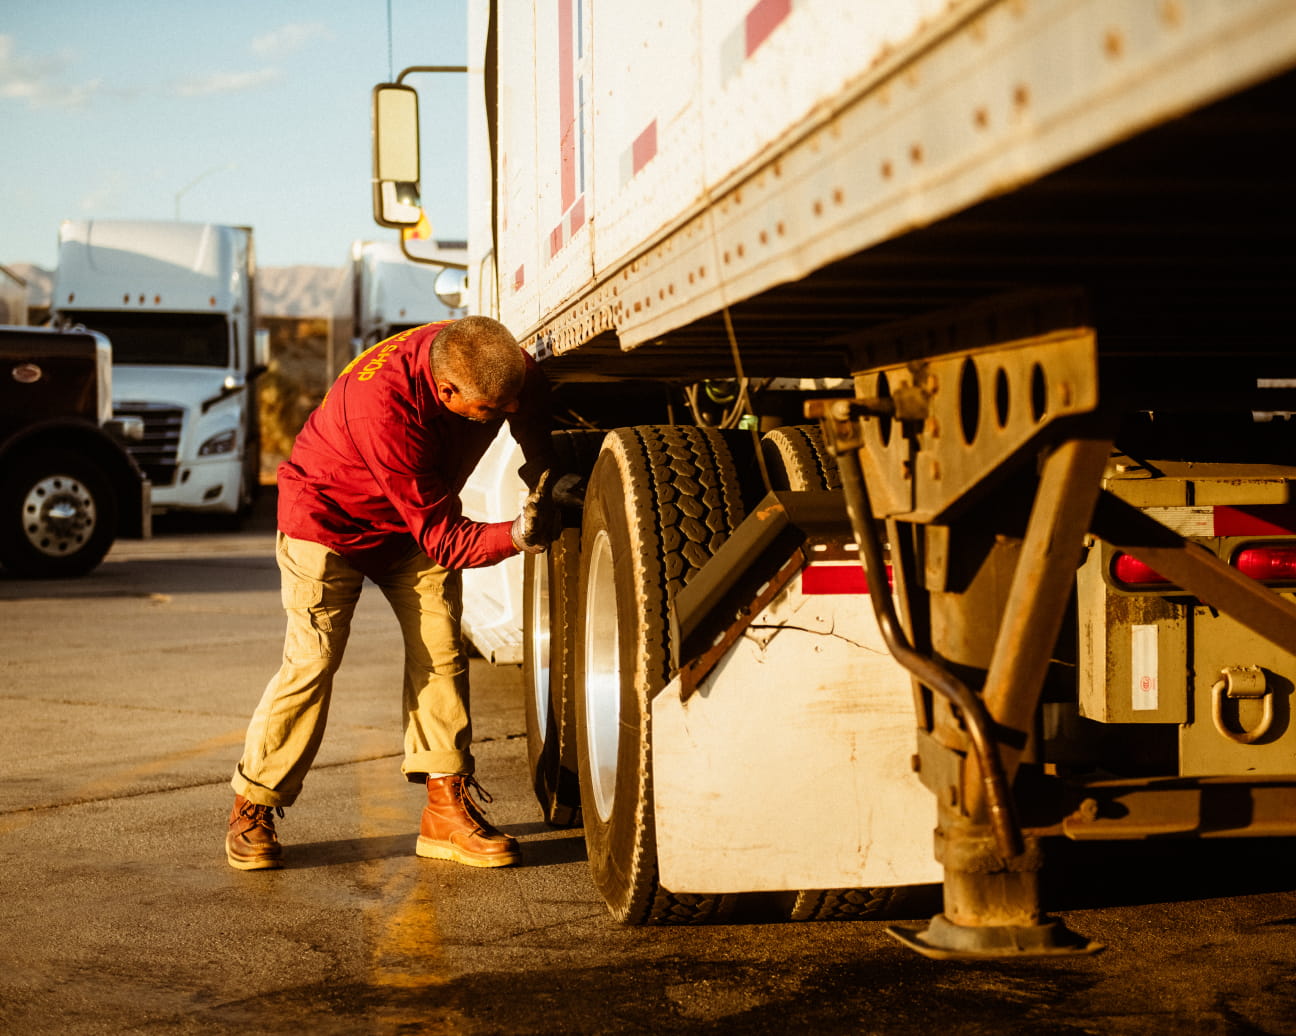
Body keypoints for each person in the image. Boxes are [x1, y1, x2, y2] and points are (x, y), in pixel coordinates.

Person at [226, 315, 557, 872]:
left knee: (442, 653)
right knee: (313, 661)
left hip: (411, 522)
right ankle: (253, 803)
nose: (508, 414)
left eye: (510, 401)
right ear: (446, 391)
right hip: (327, 524)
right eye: (492, 411)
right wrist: (518, 534)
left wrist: (547, 474)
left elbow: (533, 414)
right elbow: (446, 539)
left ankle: (445, 809)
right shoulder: (383, 407)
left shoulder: (501, 364)